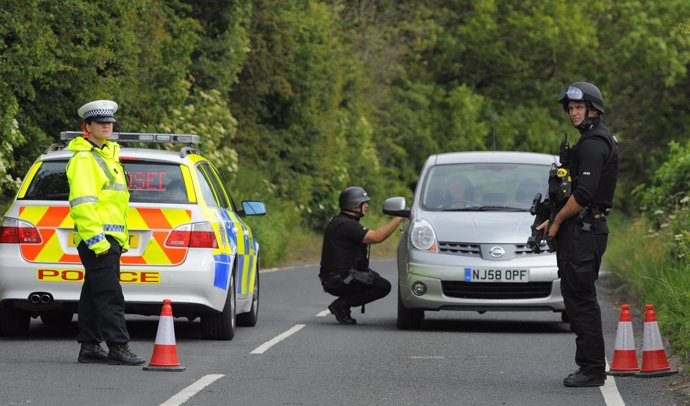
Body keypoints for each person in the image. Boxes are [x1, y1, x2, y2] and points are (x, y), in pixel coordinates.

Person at [538, 82, 619, 387]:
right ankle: (590, 366)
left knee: (581, 299)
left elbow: (584, 193)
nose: (573, 113)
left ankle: (593, 369)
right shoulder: (591, 140)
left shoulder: (594, 143)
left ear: (593, 109)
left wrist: (557, 221)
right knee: (575, 297)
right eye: (570, 108)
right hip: (582, 228)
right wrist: (552, 219)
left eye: (578, 107)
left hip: (584, 230)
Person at [67, 100, 145, 365]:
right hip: (97, 239)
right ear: (86, 127)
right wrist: (97, 241)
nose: (106, 126)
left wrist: (114, 239)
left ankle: (89, 346)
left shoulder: (108, 157)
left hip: (109, 238)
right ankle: (118, 346)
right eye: (100, 122)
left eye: (109, 122)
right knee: (110, 294)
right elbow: (82, 203)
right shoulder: (84, 159)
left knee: (93, 292)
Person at [319, 186, 404, 324]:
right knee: (383, 286)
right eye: (364, 202)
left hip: (335, 276)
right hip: (339, 280)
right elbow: (376, 237)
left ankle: (343, 304)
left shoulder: (340, 221)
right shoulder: (346, 225)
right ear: (354, 204)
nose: (367, 205)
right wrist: (397, 219)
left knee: (374, 278)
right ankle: (342, 305)